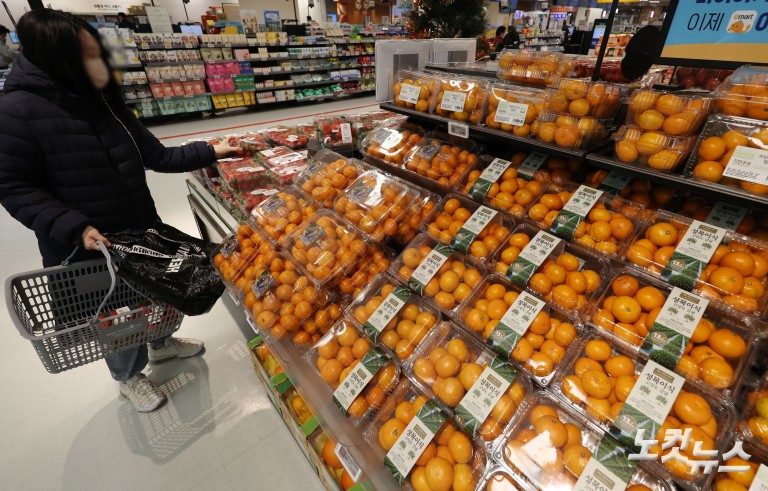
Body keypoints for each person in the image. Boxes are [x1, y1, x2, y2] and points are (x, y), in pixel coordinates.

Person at [0, 9, 239, 413]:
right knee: (115, 314)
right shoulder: (15, 112)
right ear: (58, 60)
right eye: (89, 56)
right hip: (90, 245)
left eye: (98, 53)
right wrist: (74, 228)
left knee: (160, 292)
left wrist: (210, 151)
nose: (101, 63)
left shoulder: (102, 102)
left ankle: (162, 343)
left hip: (141, 228)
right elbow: (13, 186)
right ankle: (128, 376)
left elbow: (155, 155)